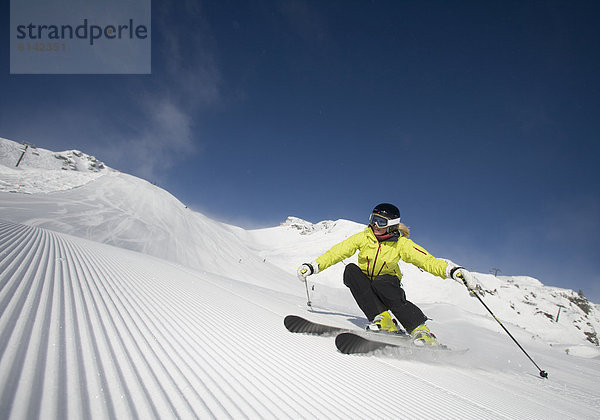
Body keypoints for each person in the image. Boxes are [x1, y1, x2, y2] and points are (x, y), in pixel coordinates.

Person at [297, 203, 479, 346]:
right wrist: (313, 266)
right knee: (351, 271)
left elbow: (427, 260)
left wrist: (452, 271)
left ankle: (421, 330)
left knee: (382, 283)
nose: (375, 225)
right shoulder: (363, 237)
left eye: (381, 222)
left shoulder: (401, 244)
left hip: (388, 283)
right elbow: (337, 252)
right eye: (373, 219)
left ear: (391, 225)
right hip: (367, 281)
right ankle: (384, 321)